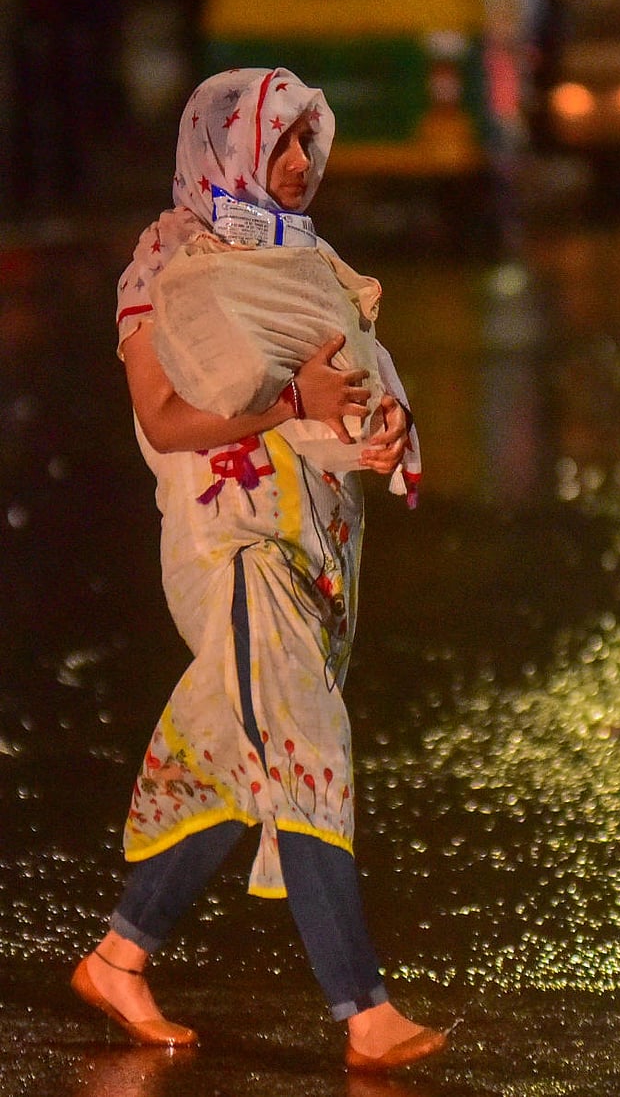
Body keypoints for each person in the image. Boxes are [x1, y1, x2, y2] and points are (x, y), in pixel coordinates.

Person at [70, 67, 443, 1074]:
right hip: (230, 541)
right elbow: (164, 416)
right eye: (276, 143)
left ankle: (119, 954)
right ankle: (364, 1008)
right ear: (224, 147)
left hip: (317, 540)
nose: (295, 165)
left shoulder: (310, 259)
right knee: (308, 738)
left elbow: (354, 381)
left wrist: (378, 422)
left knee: (247, 755)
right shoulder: (165, 261)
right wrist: (291, 404)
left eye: (304, 147)